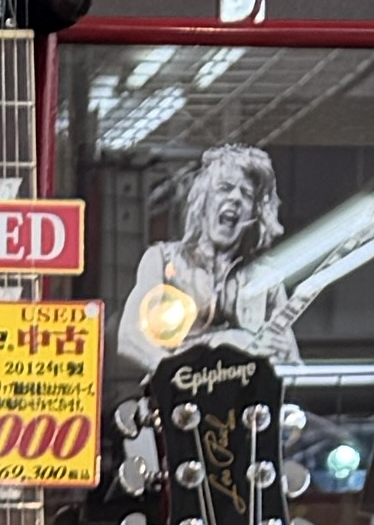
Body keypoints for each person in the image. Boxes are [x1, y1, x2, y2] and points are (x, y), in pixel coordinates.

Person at [117, 144, 300, 373]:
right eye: (225, 188)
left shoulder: (266, 278)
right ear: (203, 199)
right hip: (178, 391)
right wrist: (175, 371)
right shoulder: (162, 260)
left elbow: (294, 362)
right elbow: (129, 337)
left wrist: (284, 357)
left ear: (254, 213)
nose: (235, 198)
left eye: (246, 194)